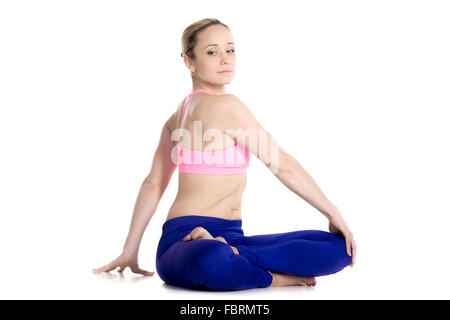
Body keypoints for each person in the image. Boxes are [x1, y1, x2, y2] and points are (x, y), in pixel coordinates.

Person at [92, 18, 357, 291]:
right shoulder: (224, 106)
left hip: (228, 240)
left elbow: (154, 184)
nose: (224, 59)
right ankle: (268, 276)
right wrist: (334, 213)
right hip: (186, 245)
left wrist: (130, 250)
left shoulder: (178, 116)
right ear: (189, 61)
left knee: (340, 249)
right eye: (212, 51)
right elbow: (283, 165)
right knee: (214, 259)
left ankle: (237, 257)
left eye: (230, 50)